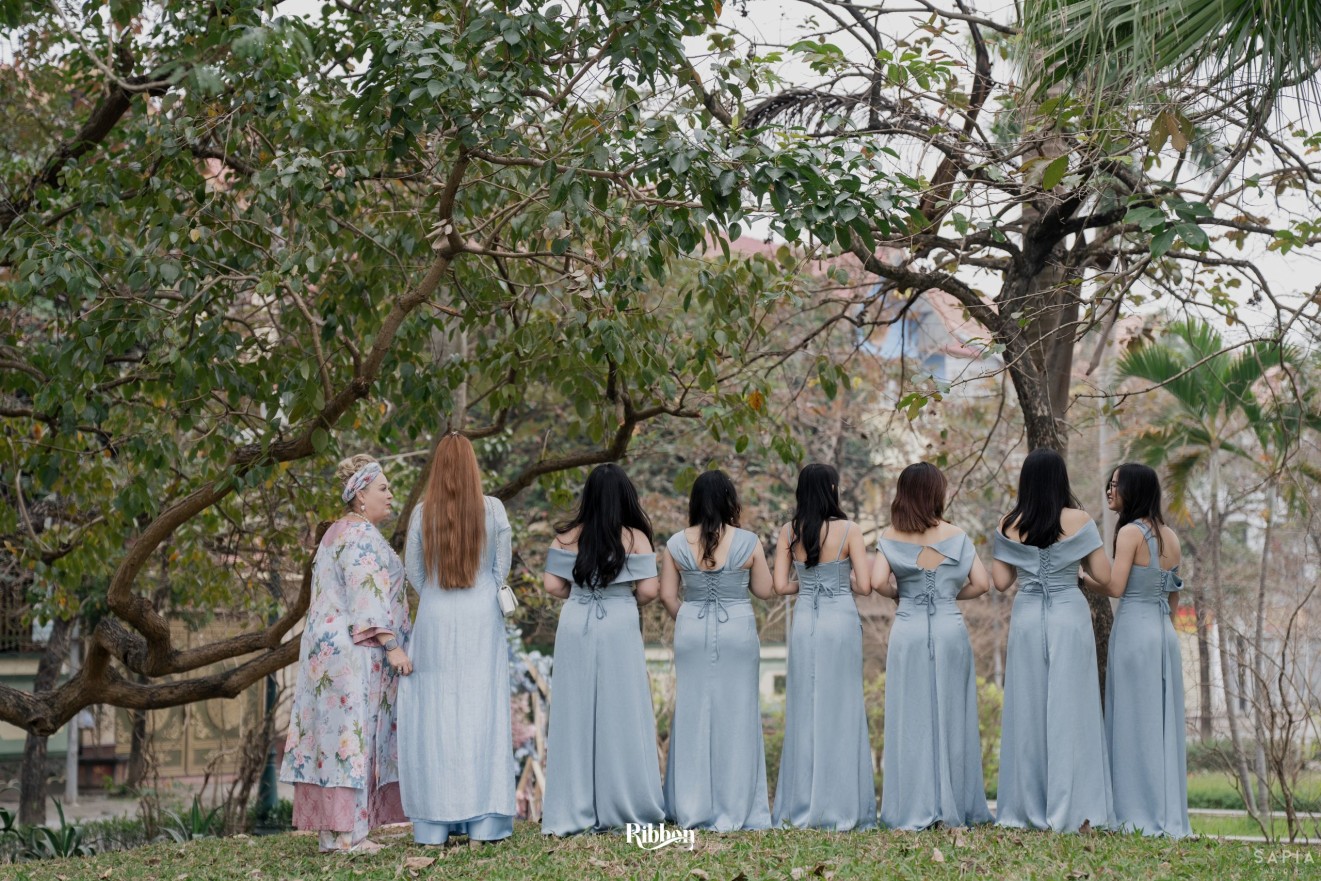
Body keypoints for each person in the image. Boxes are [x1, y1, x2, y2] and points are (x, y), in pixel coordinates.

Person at [280, 454, 412, 854]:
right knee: (351, 739)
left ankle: (337, 835)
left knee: (335, 738)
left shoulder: (337, 532)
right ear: (360, 496)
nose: (391, 494)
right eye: (383, 488)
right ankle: (348, 837)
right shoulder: (361, 535)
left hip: (328, 649)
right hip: (354, 651)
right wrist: (392, 645)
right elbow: (365, 594)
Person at [398, 434, 517, 845]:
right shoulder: (494, 509)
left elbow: (413, 572)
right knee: (481, 712)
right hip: (480, 618)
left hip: (434, 616)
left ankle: (435, 824)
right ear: (472, 467)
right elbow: (501, 570)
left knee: (435, 716)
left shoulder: (421, 513)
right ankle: (484, 823)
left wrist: (435, 592)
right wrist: (480, 588)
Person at [993, 448, 1114, 833]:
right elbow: (1105, 577)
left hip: (1027, 615)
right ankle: (1074, 806)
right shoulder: (1080, 520)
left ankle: (1028, 805)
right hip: (1068, 614)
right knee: (1072, 707)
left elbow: (1001, 582)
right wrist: (1077, 576)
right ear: (1061, 479)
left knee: (1027, 710)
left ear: (1026, 481)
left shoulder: (1008, 523)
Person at [540, 464, 665, 835]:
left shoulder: (566, 536)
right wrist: (622, 598)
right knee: (622, 709)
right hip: (619, 620)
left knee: (574, 711)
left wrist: (581, 593)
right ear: (626, 497)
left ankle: (572, 806)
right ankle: (623, 803)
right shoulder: (635, 537)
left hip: (576, 619)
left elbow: (552, 586)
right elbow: (650, 590)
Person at [871, 463, 992, 830]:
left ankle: (912, 805)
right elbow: (982, 584)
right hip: (949, 627)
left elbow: (877, 582)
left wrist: (901, 594)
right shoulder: (957, 534)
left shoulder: (891, 535)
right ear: (936, 493)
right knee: (952, 714)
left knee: (910, 716)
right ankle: (954, 803)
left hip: (908, 628)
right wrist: (949, 595)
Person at [659, 470, 774, 831]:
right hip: (737, 630)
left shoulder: (676, 543)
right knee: (738, 715)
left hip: (691, 629)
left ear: (695, 501)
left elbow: (667, 595)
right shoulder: (749, 541)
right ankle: (736, 804)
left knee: (693, 713)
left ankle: (689, 804)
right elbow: (765, 590)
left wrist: (690, 617)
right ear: (730, 501)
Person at [1087, 463, 1191, 837]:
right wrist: (1161, 628)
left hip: (1133, 631)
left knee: (1132, 720)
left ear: (1133, 489)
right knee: (1160, 723)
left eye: (1116, 484)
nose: (1110, 490)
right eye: (1109, 483)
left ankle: (1133, 810)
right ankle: (1163, 808)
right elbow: (1174, 595)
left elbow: (1115, 587)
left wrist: (1082, 578)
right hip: (1163, 634)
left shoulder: (1131, 532)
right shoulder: (1171, 537)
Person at [771, 464, 876, 830]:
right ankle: (841, 802)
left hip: (805, 621)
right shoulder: (850, 530)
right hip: (840, 620)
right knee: (843, 707)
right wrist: (840, 580)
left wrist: (807, 584)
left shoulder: (789, 531)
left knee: (805, 708)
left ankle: (801, 802)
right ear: (832, 488)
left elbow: (780, 586)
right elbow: (865, 586)